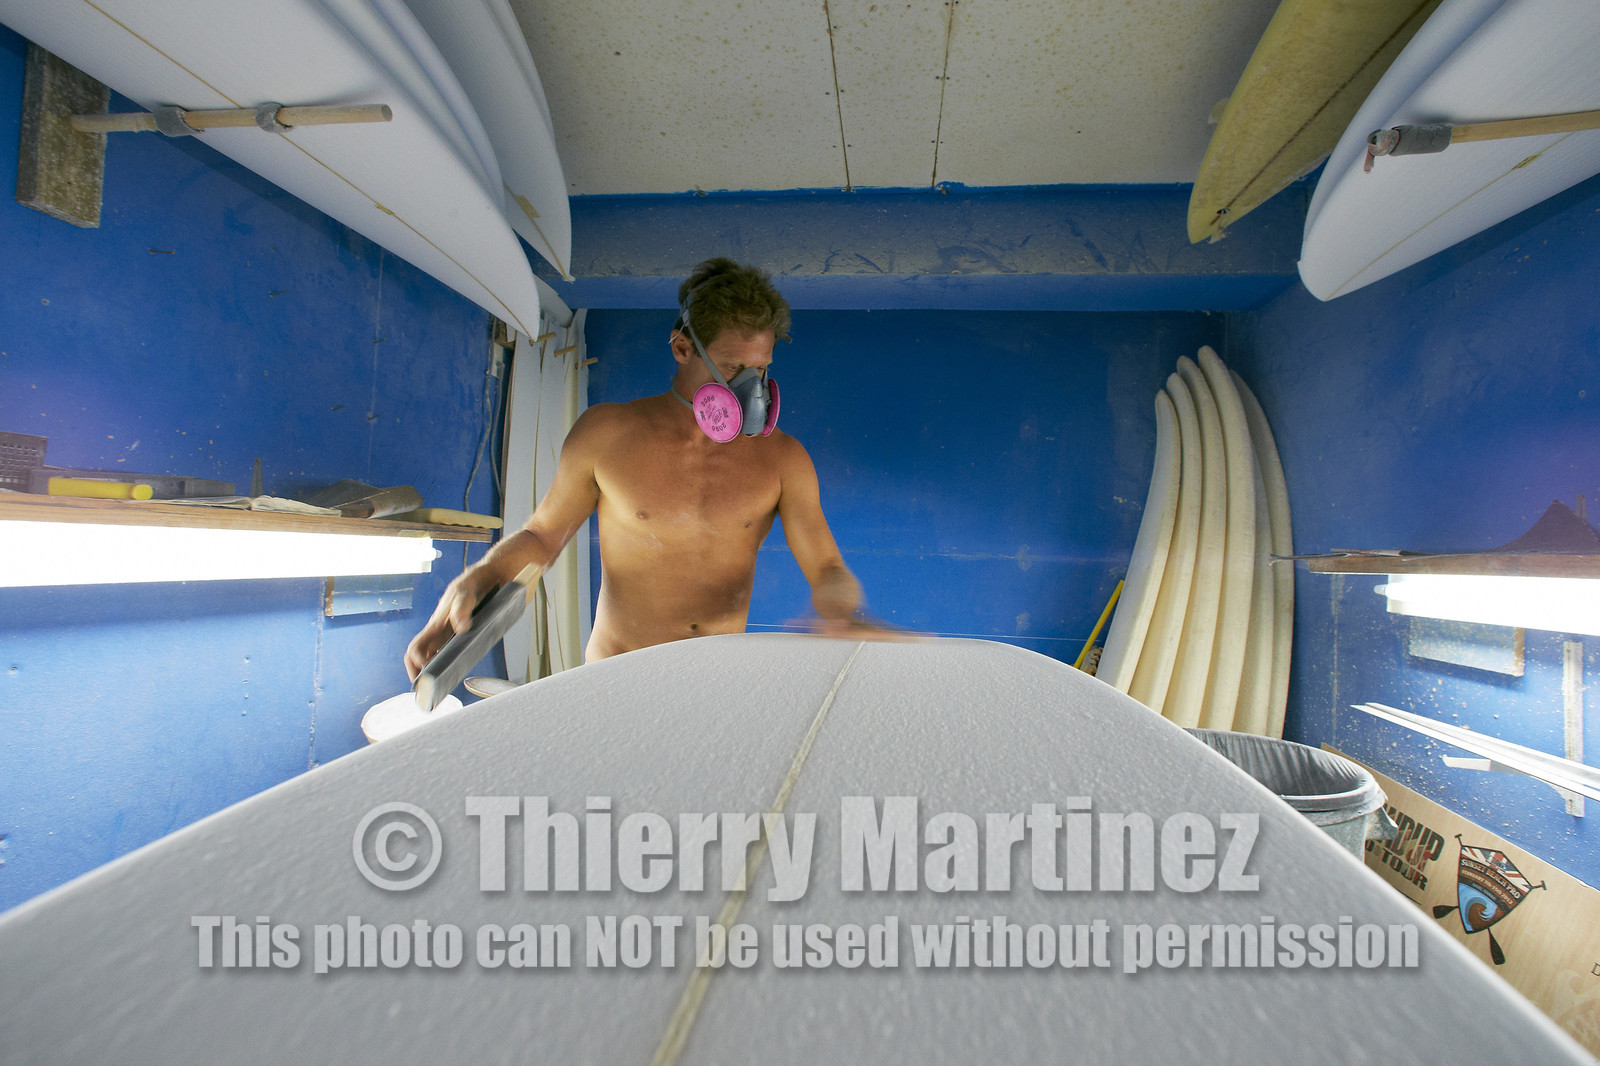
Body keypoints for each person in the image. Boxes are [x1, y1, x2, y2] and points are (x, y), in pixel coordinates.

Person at [405, 257, 877, 678]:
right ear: (682, 348)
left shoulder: (783, 458)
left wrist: (840, 608)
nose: (752, 388)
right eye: (734, 368)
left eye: (762, 369)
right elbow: (542, 537)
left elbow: (826, 566)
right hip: (617, 675)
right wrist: (481, 575)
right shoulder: (607, 433)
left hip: (717, 678)